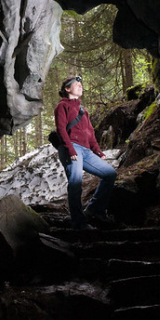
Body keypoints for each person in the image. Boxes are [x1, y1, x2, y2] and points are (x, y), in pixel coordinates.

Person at [54, 75, 117, 230]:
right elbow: (61, 129)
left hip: (86, 151)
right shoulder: (61, 106)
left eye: (81, 84)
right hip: (71, 148)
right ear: (67, 89)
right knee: (75, 183)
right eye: (76, 84)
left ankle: (95, 209)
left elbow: (90, 133)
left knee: (110, 174)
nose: (80, 86)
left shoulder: (83, 110)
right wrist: (70, 149)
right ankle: (78, 222)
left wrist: (97, 150)